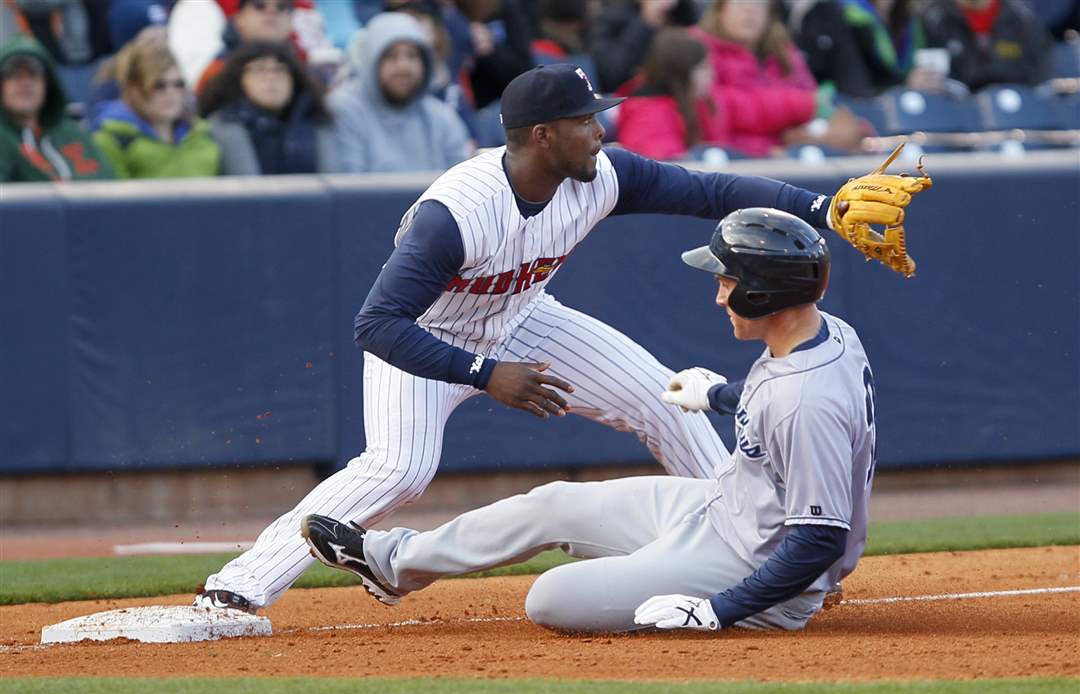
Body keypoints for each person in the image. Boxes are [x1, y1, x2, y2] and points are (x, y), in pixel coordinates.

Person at [192, 63, 914, 614]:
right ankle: (235, 591)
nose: (600, 130)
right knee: (400, 467)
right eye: (586, 120)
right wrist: (486, 373)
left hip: (521, 315)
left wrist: (821, 206)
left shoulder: (601, 175)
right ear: (543, 136)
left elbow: (709, 192)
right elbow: (377, 326)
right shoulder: (458, 214)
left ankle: (745, 552)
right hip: (427, 339)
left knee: (663, 397)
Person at [300, 207, 877, 635]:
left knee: (549, 600)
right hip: (725, 509)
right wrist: (719, 395)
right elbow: (778, 409)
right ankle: (392, 562)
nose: (719, 296)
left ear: (765, 292)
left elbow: (819, 536)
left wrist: (716, 607)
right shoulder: (824, 334)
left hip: (755, 561)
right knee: (552, 504)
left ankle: (673, 576)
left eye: (728, 282)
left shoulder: (806, 400)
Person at [692, 0, 867, 157]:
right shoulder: (698, 49)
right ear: (720, 10)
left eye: (759, 4)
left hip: (790, 154)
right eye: (740, 4)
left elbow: (814, 100)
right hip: (733, 160)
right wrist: (799, 106)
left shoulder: (782, 51)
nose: (750, 11)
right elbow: (716, 105)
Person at [327, 11, 471, 173]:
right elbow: (347, 190)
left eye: (412, 56)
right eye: (391, 56)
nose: (403, 66)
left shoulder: (442, 117)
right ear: (370, 60)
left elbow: (462, 186)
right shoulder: (343, 109)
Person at [199, 41, 336, 175]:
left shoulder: (315, 118)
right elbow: (247, 189)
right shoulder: (224, 124)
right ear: (239, 78)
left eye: (280, 69)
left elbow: (334, 182)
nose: (271, 77)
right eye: (259, 69)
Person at [93, 38, 221, 178]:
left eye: (178, 84)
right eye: (159, 85)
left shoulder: (205, 136)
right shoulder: (110, 142)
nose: (171, 92)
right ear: (133, 89)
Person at [0, 35, 113, 182]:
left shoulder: (72, 132)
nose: (25, 83)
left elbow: (110, 185)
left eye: (33, 75)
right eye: (14, 76)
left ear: (48, 85)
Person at [797, 0, 941, 98]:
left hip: (906, 112)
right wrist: (905, 85)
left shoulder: (912, 20)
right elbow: (853, 87)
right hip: (854, 118)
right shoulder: (835, 14)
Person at [615, 27, 716, 160]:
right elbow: (668, 169)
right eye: (703, 67)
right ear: (681, 74)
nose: (711, 74)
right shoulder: (650, 117)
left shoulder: (690, 107)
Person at [920, 0, 1052, 91]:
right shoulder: (930, 20)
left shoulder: (1023, 19)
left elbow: (1042, 80)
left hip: (1017, 118)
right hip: (956, 118)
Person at [588, 0, 701, 93]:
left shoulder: (677, 13)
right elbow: (612, 74)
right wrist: (646, 21)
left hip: (678, 94)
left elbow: (695, 26)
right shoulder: (610, 17)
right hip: (631, 97)